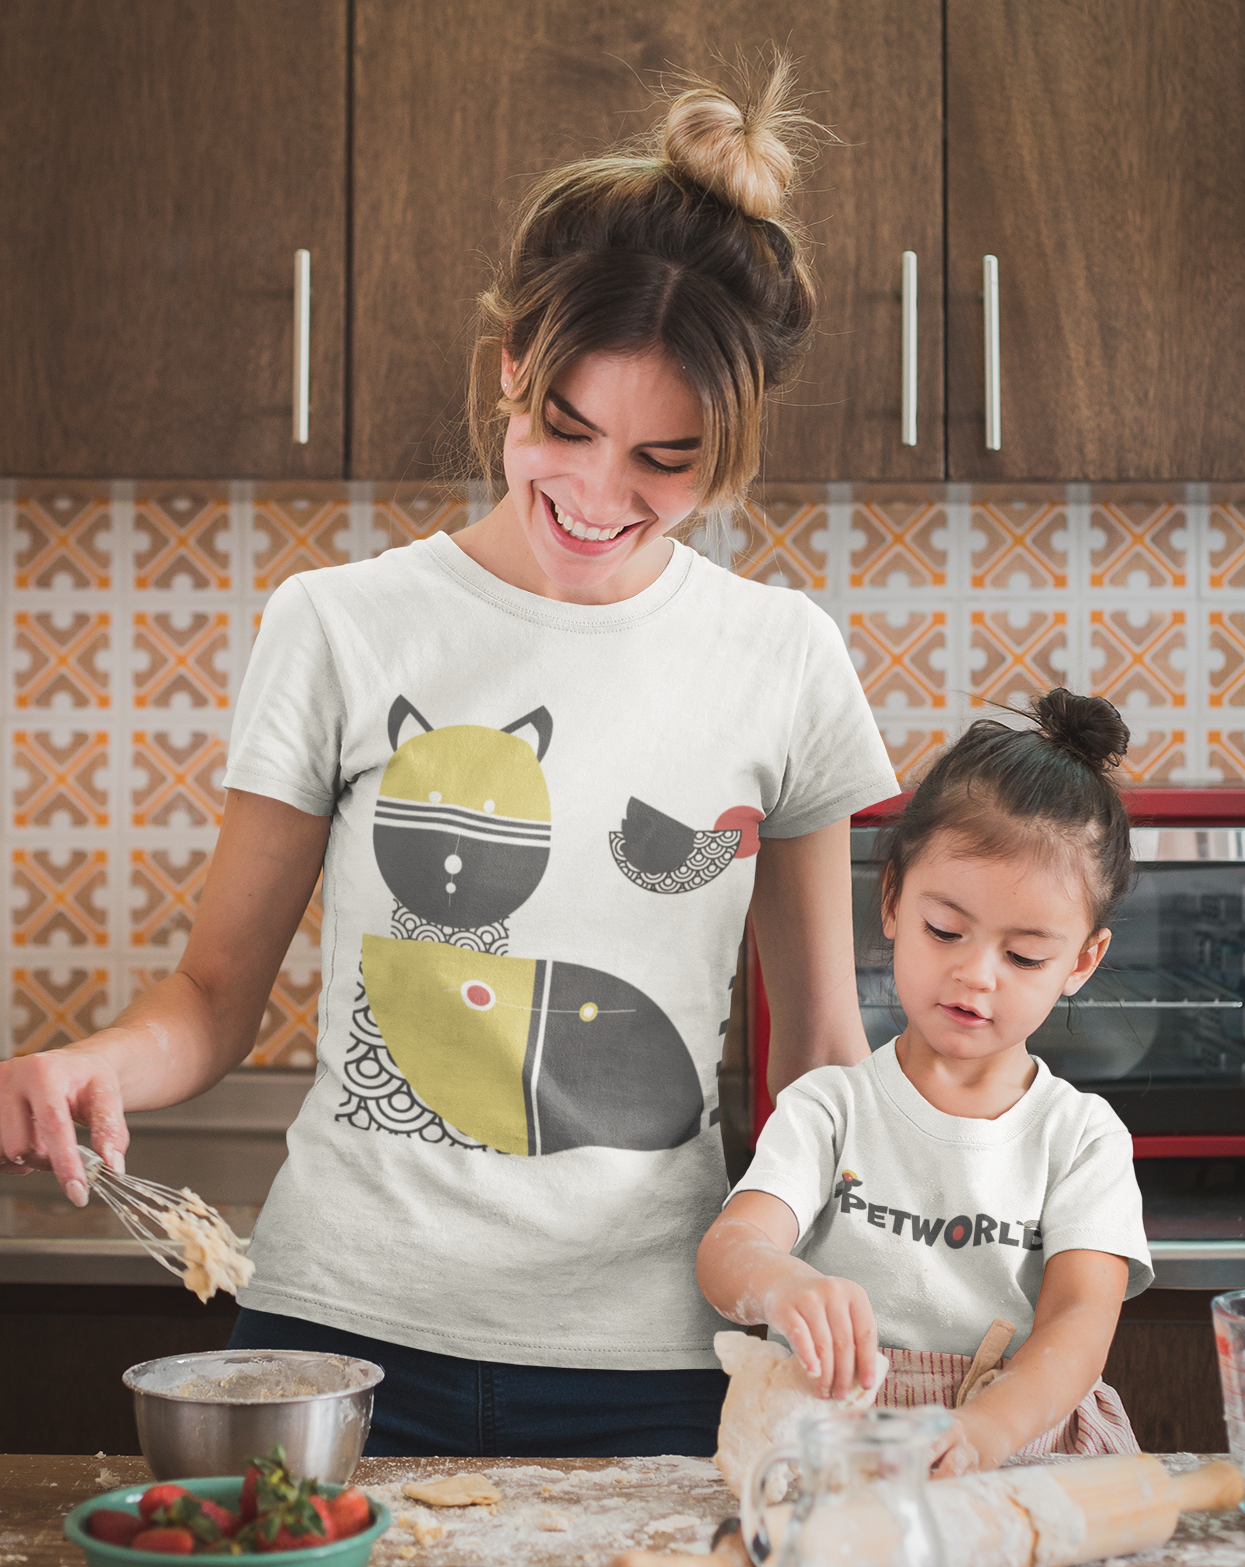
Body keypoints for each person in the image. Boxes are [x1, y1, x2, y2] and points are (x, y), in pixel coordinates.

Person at [0, 61, 899, 1457]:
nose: (598, 497)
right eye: (564, 427)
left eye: (666, 459)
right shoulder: (340, 628)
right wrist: (92, 1061)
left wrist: (926, 1287)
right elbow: (212, 997)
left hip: (656, 1352)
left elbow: (826, 1058)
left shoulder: (784, 659)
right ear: (506, 370)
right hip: (335, 1337)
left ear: (731, 451)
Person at [697, 689, 1154, 1475]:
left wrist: (983, 1429)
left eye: (1024, 956)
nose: (975, 976)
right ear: (892, 901)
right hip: (835, 1452)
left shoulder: (1081, 1139)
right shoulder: (830, 1109)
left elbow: (1079, 1320)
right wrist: (779, 1283)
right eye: (946, 929)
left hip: (1017, 1452)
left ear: (1081, 962)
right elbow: (729, 1248)